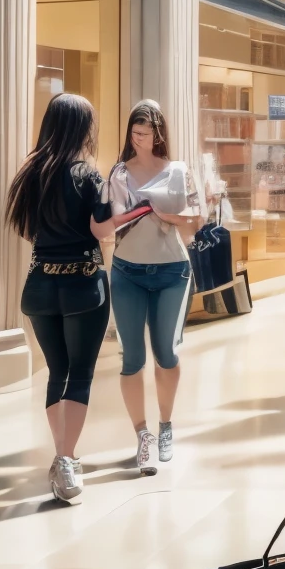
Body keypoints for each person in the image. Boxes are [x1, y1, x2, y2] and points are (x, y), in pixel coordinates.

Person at [6, 93, 122, 504]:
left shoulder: (29, 173)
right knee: (81, 373)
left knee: (57, 371)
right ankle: (67, 459)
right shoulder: (88, 176)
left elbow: (25, 230)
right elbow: (102, 231)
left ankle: (62, 458)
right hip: (84, 284)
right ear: (80, 128)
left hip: (40, 285)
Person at [106, 100, 203, 473]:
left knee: (166, 353)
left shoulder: (179, 171)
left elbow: (195, 222)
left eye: (145, 132)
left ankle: (165, 425)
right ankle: (142, 434)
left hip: (171, 272)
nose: (138, 138)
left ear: (159, 133)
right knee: (132, 358)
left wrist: (163, 214)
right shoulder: (119, 173)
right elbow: (111, 222)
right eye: (134, 132)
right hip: (127, 271)